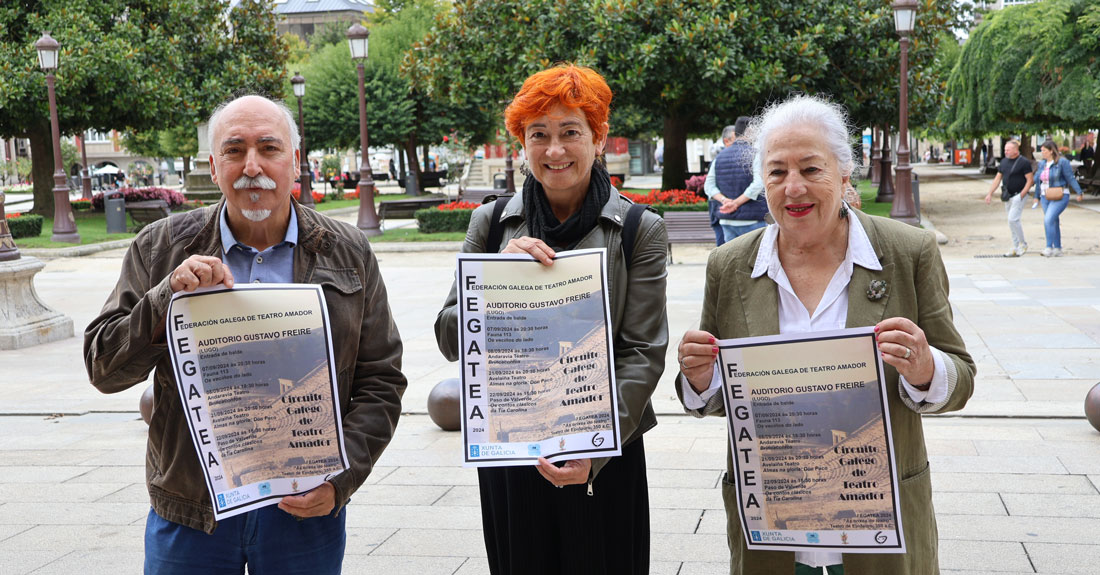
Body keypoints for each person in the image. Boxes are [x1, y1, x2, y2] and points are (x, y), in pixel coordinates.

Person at [84, 94, 407, 574]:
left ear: (295, 163)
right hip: (193, 511)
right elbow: (103, 368)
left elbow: (381, 379)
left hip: (302, 510)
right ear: (214, 167)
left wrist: (342, 478)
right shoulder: (161, 248)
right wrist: (164, 298)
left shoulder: (348, 251)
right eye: (234, 151)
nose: (251, 166)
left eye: (268, 148)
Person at [676, 95, 975, 575]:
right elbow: (709, 395)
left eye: (810, 169)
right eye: (776, 172)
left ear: (843, 172)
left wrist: (925, 368)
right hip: (772, 537)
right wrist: (698, 377)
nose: (793, 188)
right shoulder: (729, 266)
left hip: (879, 535)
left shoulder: (906, 252)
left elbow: (961, 377)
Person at [435, 64, 668, 574]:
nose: (554, 150)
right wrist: (494, 281)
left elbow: (644, 352)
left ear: (599, 138)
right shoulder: (491, 223)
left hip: (606, 446)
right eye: (538, 135)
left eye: (570, 133)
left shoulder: (637, 229)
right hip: (513, 446)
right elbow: (451, 337)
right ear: (522, 142)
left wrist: (597, 452)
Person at [704, 116, 769, 244]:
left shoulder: (719, 157)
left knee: (732, 261)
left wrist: (725, 201)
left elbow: (709, 186)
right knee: (755, 260)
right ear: (750, 131)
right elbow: (758, 184)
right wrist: (736, 203)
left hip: (726, 220)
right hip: (752, 219)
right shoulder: (755, 154)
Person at [983, 140, 1034, 257]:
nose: (1005, 151)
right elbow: (997, 178)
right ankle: (1015, 246)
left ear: (1016, 150)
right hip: (1008, 195)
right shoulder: (1004, 162)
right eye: (1005, 149)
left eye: (1008, 150)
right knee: (1011, 222)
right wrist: (990, 193)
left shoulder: (1023, 162)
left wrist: (1022, 195)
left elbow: (1030, 180)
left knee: (1013, 219)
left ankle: (1023, 243)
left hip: (1019, 195)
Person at [1034, 140, 1084, 257]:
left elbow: (1070, 178)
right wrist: (1036, 196)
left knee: (1048, 219)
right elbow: (1038, 181)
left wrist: (1079, 192)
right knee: (1053, 221)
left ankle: (1048, 247)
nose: (1042, 153)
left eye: (1044, 150)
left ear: (1051, 151)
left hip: (1060, 195)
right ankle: (1057, 248)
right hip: (1045, 196)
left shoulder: (1062, 162)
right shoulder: (1042, 164)